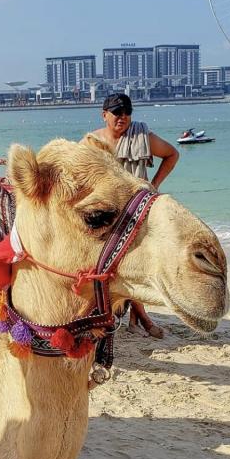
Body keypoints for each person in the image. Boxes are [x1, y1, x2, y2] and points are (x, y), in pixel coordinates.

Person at [92, 93, 179, 338]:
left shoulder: (142, 136)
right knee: (118, 264)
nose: (122, 117)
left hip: (137, 209)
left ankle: (138, 316)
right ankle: (139, 316)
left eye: (127, 112)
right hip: (106, 212)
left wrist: (154, 185)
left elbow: (172, 154)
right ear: (104, 114)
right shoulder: (93, 142)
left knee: (137, 262)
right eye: (116, 112)